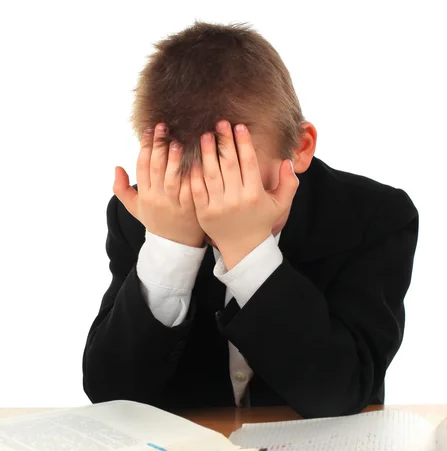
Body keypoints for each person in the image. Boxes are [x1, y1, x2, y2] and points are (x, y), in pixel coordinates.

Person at [82, 21, 418, 418]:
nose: (213, 206)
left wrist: (248, 251)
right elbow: (111, 396)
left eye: (234, 179)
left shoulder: (374, 217)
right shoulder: (143, 212)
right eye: (190, 189)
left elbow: (342, 391)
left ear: (300, 148)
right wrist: (168, 248)